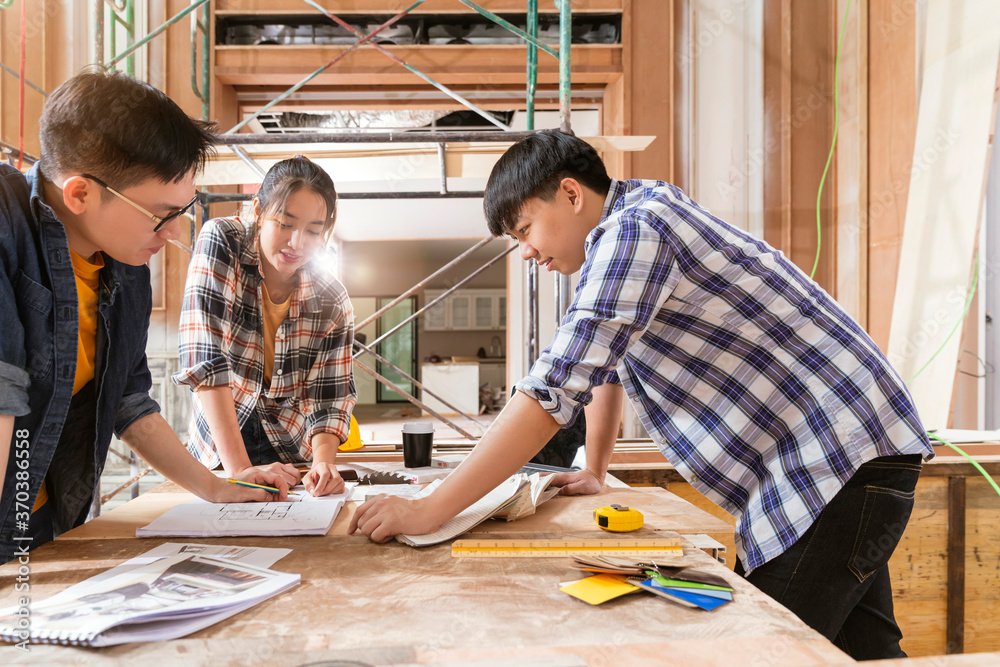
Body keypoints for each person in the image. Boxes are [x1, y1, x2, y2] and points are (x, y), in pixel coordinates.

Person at [350, 130, 933, 660]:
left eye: (524, 230)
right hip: (850, 454)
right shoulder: (634, 223)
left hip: (834, 460)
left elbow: (556, 386)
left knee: (755, 651)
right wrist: (597, 467)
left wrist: (429, 509)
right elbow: (605, 368)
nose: (525, 252)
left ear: (571, 195)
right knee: (868, 652)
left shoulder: (635, 231)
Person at [0, 68, 299, 564]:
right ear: (80, 194)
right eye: (161, 214)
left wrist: (218, 487)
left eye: (184, 209)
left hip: (43, 517)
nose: (173, 233)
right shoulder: (8, 226)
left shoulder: (124, 268)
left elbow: (128, 401)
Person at [173, 157, 355, 497]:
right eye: (285, 224)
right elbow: (205, 359)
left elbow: (329, 397)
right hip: (219, 449)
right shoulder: (222, 241)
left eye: (314, 231)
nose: (298, 243)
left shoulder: (332, 298)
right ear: (257, 210)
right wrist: (241, 471)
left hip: (289, 456)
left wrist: (323, 464)